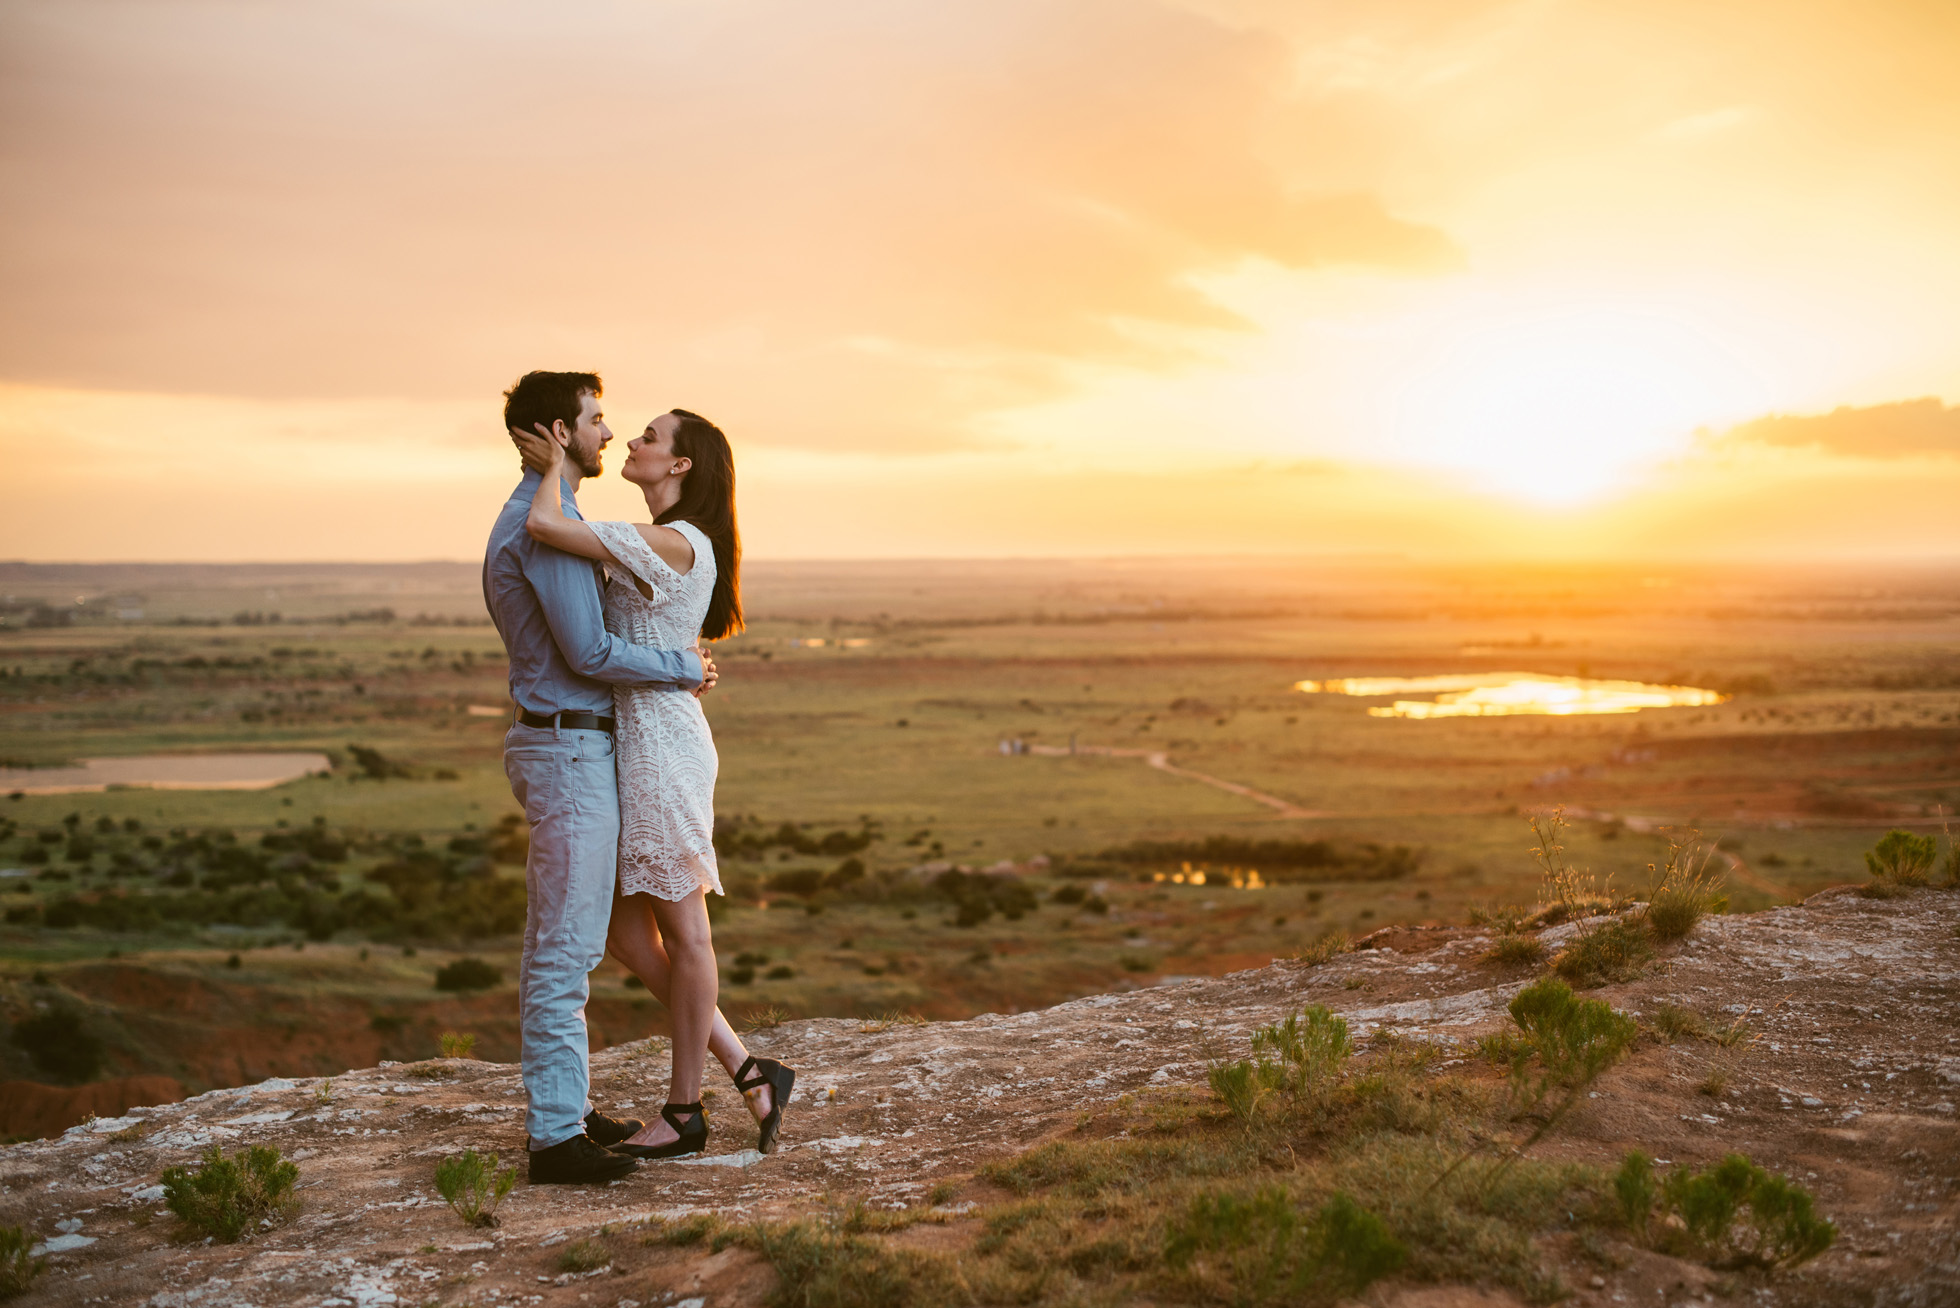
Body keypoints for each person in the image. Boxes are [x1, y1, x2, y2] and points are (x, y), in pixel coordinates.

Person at [511, 404, 796, 1161]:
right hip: (630, 748)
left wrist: (547, 469)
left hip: (662, 750)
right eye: (626, 431)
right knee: (628, 937)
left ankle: (685, 1110)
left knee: (685, 931)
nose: (630, 442)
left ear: (680, 466)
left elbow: (544, 527)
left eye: (649, 437)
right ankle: (748, 1067)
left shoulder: (673, 541)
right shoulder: (661, 541)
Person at [484, 370, 717, 1186]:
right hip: (568, 750)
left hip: (578, 747)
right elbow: (588, 654)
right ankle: (555, 1135)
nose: (610, 433)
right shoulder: (541, 526)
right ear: (558, 432)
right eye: (595, 419)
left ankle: (570, 1108)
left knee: (581, 940)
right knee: (565, 950)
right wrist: (679, 667)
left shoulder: (559, 518)